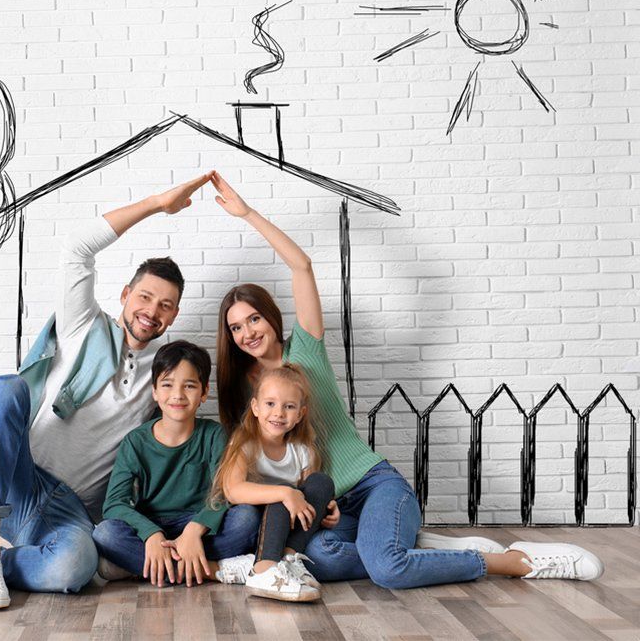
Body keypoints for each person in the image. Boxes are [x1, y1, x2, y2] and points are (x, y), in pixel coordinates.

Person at [209, 170, 605, 589]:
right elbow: (260, 471)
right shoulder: (246, 392)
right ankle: (423, 547)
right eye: (236, 327)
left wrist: (248, 213)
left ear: (270, 317)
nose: (248, 331)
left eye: (254, 318)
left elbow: (301, 265)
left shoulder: (305, 349)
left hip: (373, 484)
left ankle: (514, 563)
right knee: (317, 557)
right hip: (328, 506)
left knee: (386, 570)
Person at [0, 173, 214, 609]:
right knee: (5, 390)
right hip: (23, 478)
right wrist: (157, 202)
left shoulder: (166, 377)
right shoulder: (84, 326)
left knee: (74, 570)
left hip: (74, 509)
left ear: (172, 317)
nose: (152, 311)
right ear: (125, 295)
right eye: (146, 297)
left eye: (165, 305)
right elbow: (77, 248)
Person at [92, 340, 259, 588]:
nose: (178, 395)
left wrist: (193, 531)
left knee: (246, 518)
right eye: (167, 385)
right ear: (155, 392)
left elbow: (223, 493)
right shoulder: (135, 442)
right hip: (152, 526)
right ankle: (210, 569)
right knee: (105, 534)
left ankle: (146, 568)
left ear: (204, 392)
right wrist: (151, 533)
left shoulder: (215, 435)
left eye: (189, 386)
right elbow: (114, 505)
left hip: (200, 528)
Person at [212, 363, 336, 602]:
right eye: (270, 404)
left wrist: (329, 505)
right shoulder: (245, 444)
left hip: (289, 528)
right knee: (285, 493)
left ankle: (289, 559)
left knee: (321, 482)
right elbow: (232, 490)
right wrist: (284, 493)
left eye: (289, 407)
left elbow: (311, 493)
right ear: (255, 407)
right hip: (254, 522)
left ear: (300, 414)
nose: (279, 413)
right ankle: (264, 568)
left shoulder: (301, 450)